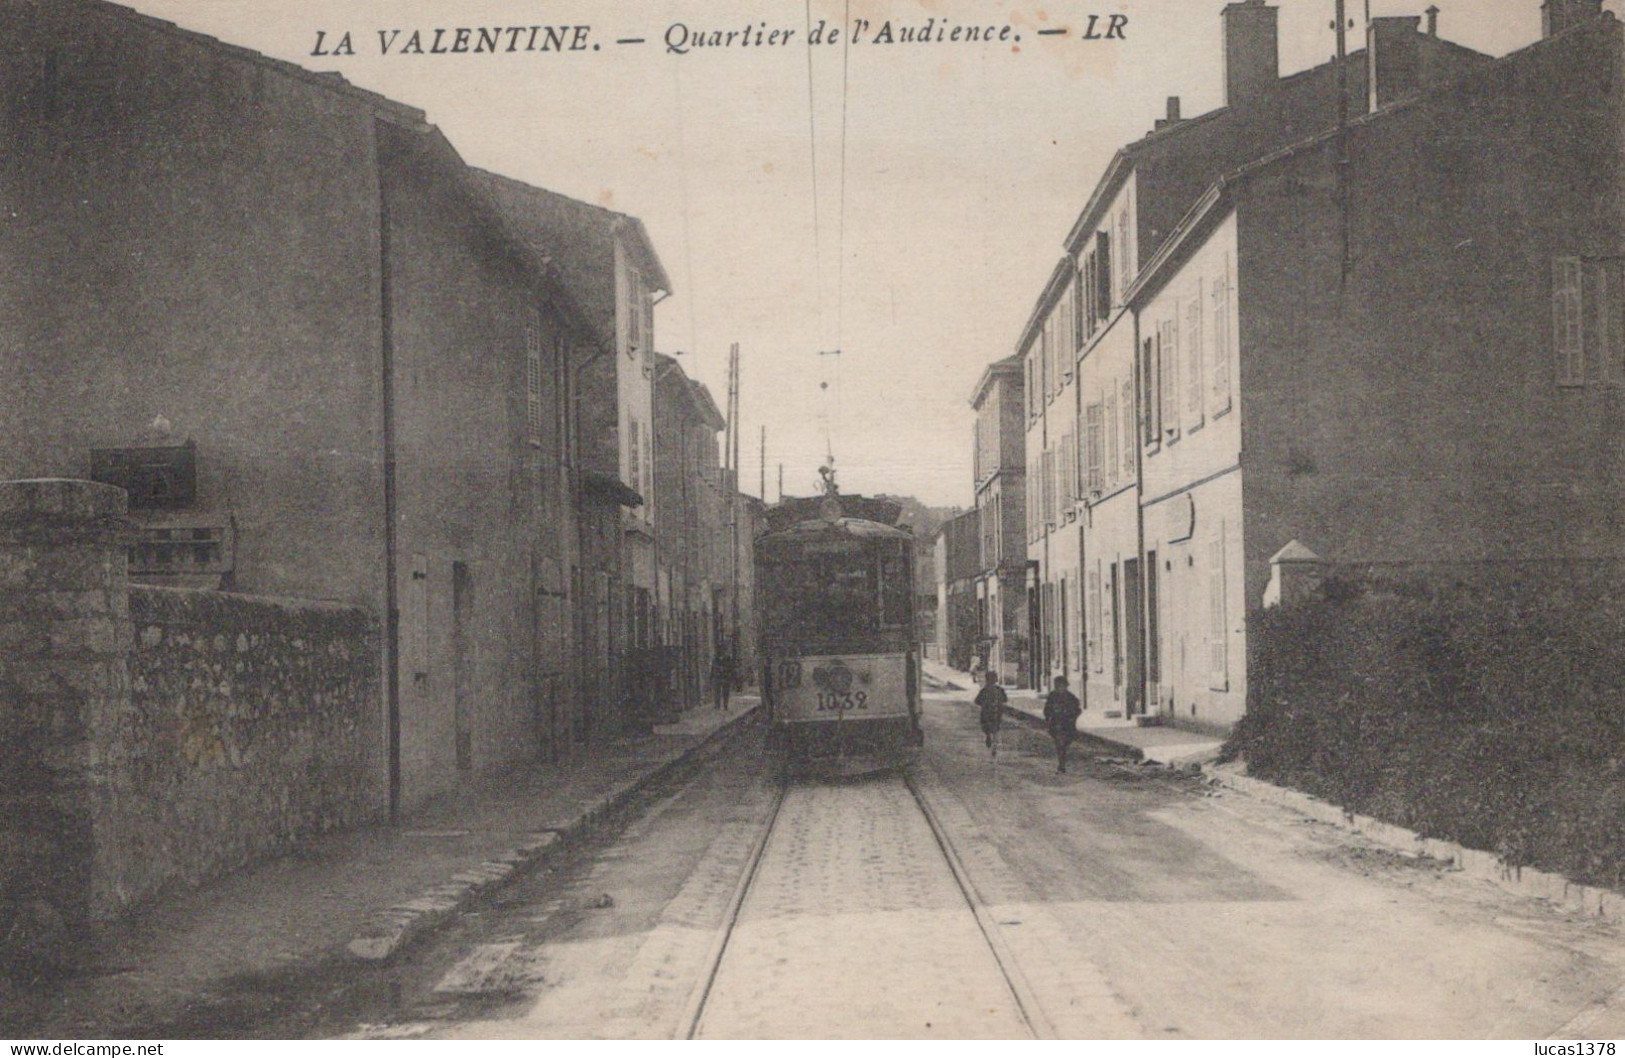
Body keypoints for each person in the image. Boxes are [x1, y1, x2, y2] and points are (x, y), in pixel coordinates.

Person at [1042, 675, 1082, 774]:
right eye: (1057, 686)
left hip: (1068, 725)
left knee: (1065, 744)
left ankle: (1062, 762)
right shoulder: (1052, 696)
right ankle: (1061, 765)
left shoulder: (1071, 698)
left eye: (1061, 685)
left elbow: (1077, 710)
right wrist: (1049, 719)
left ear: (1065, 686)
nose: (1059, 688)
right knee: (1060, 745)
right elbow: (1047, 709)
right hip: (1056, 725)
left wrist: (1072, 718)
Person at [974, 671, 1007, 758]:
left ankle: (988, 735)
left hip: (986, 713)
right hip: (997, 712)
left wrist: (984, 704)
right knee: (995, 729)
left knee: (986, 727)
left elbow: (977, 701)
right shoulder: (1000, 690)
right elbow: (1005, 699)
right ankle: (994, 746)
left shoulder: (984, 690)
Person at [711, 647, 734, 711]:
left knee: (726, 692)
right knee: (717, 692)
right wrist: (712, 676)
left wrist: (730, 675)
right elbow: (713, 668)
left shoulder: (728, 658)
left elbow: (730, 668)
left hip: (725, 677)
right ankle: (717, 705)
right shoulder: (715, 659)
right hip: (718, 677)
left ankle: (725, 705)